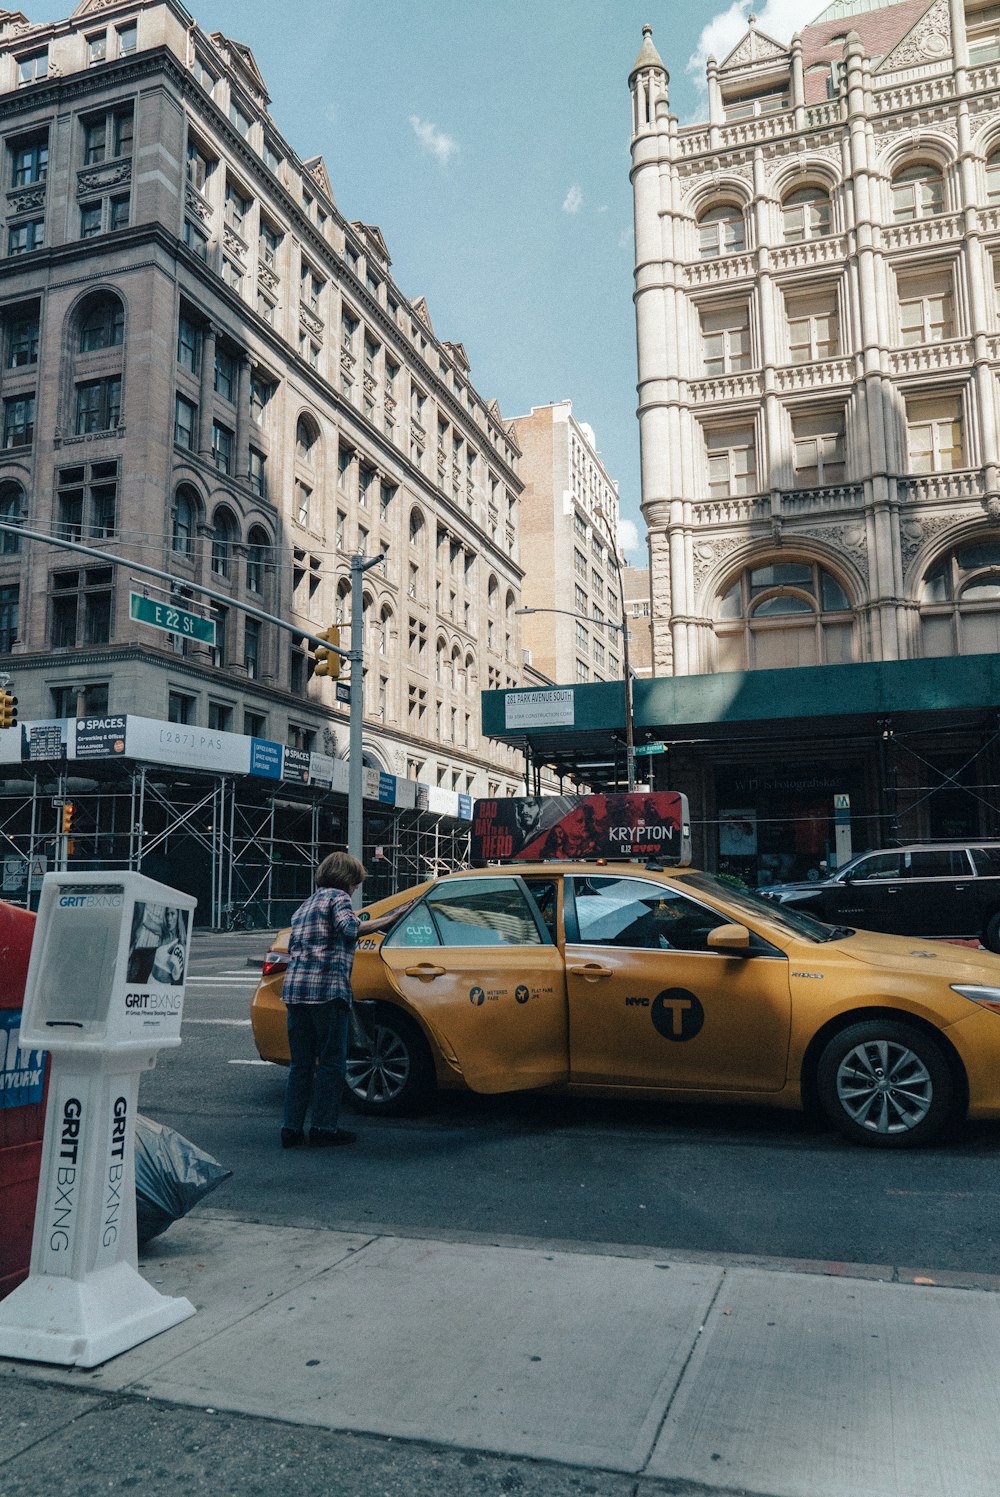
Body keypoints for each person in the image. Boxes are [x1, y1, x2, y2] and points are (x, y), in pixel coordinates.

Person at [280, 851, 400, 1150]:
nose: (356, 888)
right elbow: (349, 928)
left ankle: (291, 1129)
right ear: (347, 879)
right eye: (356, 882)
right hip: (326, 992)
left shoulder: (306, 904)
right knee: (332, 1063)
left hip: (296, 992)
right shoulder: (338, 898)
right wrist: (392, 918)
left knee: (301, 1065)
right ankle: (323, 1128)